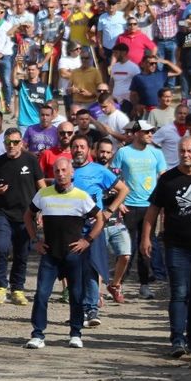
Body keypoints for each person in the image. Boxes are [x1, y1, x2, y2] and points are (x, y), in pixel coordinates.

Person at [23, 157, 104, 350]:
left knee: (76, 295)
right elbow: (28, 215)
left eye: (63, 171)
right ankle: (38, 334)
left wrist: (87, 240)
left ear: (71, 172)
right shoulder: (44, 194)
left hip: (73, 255)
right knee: (42, 294)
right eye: (57, 171)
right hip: (50, 253)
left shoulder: (82, 196)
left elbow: (100, 219)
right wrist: (35, 240)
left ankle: (76, 333)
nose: (60, 174)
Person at [143, 136, 191, 357]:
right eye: (182, 151)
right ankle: (177, 340)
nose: (185, 154)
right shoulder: (168, 179)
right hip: (177, 247)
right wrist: (146, 238)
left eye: (190, 151)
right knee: (179, 292)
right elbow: (152, 211)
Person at [71, 134, 130, 327]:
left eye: (82, 146)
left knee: (91, 267)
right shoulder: (65, 170)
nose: (78, 149)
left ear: (90, 150)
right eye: (75, 146)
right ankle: (77, 311)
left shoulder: (98, 170)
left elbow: (123, 190)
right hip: (69, 227)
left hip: (92, 227)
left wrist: (109, 210)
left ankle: (92, 309)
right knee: (72, 270)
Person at [0, 127, 46, 306]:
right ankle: (0, 287)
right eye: (8, 142)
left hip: (26, 215)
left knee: (22, 253)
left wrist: (42, 211)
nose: (11, 146)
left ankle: (17, 288)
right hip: (3, 212)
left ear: (22, 143)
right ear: (4, 143)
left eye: (15, 142)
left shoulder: (31, 160)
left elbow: (42, 187)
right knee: (1, 247)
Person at [111, 120, 167, 300]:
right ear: (136, 133)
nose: (151, 134)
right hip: (128, 206)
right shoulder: (123, 152)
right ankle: (118, 284)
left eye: (152, 131)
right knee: (126, 247)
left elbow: (163, 180)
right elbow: (112, 179)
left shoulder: (157, 153)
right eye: (147, 131)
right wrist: (118, 202)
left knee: (146, 246)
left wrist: (162, 205)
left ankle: (144, 285)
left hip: (150, 207)